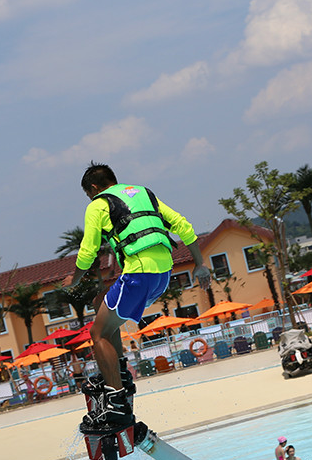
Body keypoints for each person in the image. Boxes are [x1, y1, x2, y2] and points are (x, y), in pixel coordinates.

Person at [65, 162, 209, 432]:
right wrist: (199, 264)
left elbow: (88, 249)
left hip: (139, 275)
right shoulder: (145, 193)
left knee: (97, 333)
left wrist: (73, 278)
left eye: (89, 194)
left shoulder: (97, 204)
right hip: (162, 275)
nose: (90, 199)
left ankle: (117, 399)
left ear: (94, 188)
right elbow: (183, 225)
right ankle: (118, 376)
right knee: (101, 303)